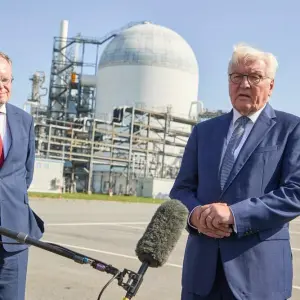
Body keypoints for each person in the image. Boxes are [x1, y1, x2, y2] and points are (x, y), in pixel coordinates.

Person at [169, 43, 300, 300]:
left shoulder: (291, 129)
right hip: (201, 275)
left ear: (271, 86)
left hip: (258, 278)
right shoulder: (203, 132)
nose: (244, 84)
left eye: (254, 77)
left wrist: (234, 214)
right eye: (237, 77)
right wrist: (195, 215)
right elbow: (181, 190)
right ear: (229, 82)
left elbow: (295, 193)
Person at [0, 52, 44, 299]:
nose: (2, 86)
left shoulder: (24, 121)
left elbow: (25, 174)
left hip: (14, 234)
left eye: (6, 80)